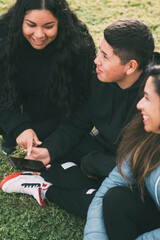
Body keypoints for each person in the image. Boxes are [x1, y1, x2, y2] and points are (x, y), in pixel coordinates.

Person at [0, 20, 156, 219]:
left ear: (131, 66)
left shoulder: (154, 93)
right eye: (99, 51)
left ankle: (48, 191)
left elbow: (147, 165)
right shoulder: (100, 78)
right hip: (102, 146)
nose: (96, 60)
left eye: (105, 56)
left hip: (134, 166)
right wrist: (49, 151)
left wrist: (94, 164)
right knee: (51, 162)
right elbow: (78, 122)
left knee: (114, 206)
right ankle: (83, 185)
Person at [0, 0, 96, 156]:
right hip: (16, 102)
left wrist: (55, 143)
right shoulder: (3, 37)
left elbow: (83, 101)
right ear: (19, 20)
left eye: (48, 26)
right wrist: (19, 127)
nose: (39, 35)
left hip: (57, 106)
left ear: (61, 22)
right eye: (31, 25)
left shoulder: (78, 45)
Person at [83, 64, 160, 239]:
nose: (139, 104)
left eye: (147, 98)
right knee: (115, 198)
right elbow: (111, 185)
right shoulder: (147, 136)